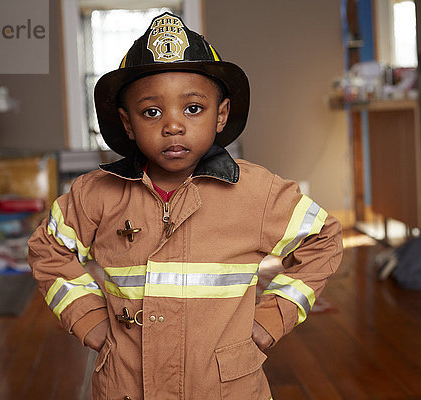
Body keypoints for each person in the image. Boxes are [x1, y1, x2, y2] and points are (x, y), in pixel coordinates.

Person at [28, 12, 342, 400]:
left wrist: (274, 315)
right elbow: (48, 248)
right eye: (152, 112)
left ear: (220, 115)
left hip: (224, 387)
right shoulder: (95, 194)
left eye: (192, 109)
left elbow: (323, 238)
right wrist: (87, 317)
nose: (173, 125)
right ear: (127, 124)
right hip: (126, 384)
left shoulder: (257, 191)